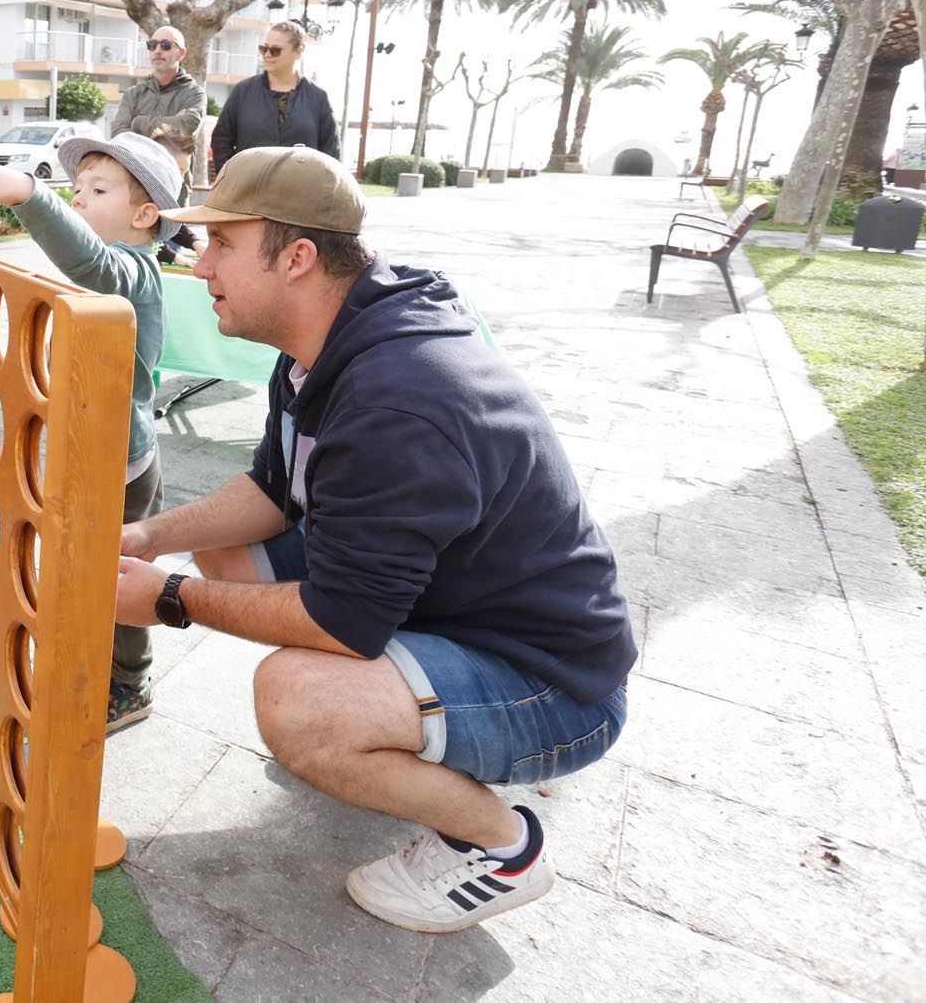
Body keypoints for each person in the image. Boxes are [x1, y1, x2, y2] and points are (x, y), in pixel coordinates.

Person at [114, 147, 634, 933]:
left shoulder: (397, 396)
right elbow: (269, 488)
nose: (199, 263)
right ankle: (392, 734)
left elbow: (339, 622)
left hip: (557, 686)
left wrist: (169, 600)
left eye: (222, 241)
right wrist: (153, 533)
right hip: (451, 603)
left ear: (296, 257)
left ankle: (502, 847)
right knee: (223, 553)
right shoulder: (319, 345)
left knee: (297, 702)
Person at [0, 131, 185, 731]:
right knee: (72, 567)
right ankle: (74, 660)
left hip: (122, 463)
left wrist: (32, 196)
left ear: (145, 215)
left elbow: (91, 259)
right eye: (76, 189)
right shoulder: (102, 272)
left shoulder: (134, 271)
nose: (81, 199)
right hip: (82, 449)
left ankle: (128, 685)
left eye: (99, 189)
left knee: (120, 579)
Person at [110, 24, 207, 259]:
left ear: (181, 53)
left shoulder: (194, 93)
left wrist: (139, 123)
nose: (157, 51)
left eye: (166, 45)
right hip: (133, 189)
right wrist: (166, 129)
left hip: (173, 193)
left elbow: (187, 127)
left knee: (168, 262)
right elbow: (119, 133)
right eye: (152, 45)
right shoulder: (134, 93)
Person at [210, 21, 341, 172]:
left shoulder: (318, 98)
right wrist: (232, 178)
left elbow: (332, 153)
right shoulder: (243, 91)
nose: (267, 54)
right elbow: (221, 141)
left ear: (299, 51)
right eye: (263, 48)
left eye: (275, 50)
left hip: (302, 192)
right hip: (250, 191)